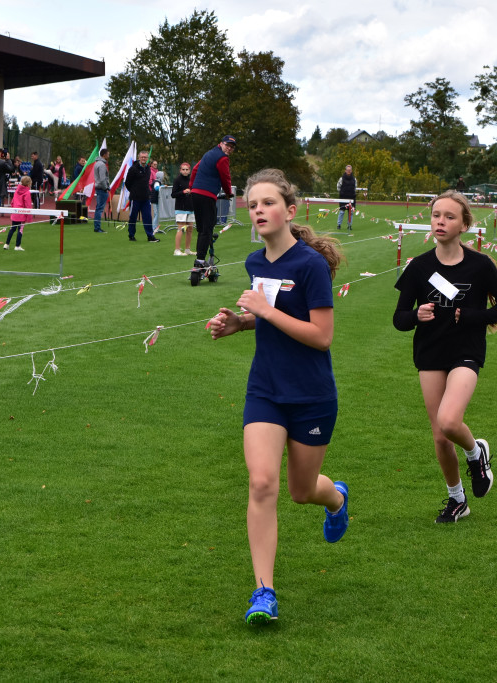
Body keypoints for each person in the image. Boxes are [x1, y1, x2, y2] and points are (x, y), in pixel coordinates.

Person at [207, 168, 348, 625]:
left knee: (302, 491)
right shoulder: (255, 263)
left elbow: (321, 336)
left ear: (290, 211)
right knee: (262, 482)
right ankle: (264, 591)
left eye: (267, 203)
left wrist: (264, 311)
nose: (258, 211)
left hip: (310, 396)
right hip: (265, 390)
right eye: (252, 205)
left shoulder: (309, 265)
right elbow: (268, 319)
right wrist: (240, 324)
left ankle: (336, 498)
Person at [393, 190, 497, 523]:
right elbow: (399, 317)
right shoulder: (419, 267)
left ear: (464, 224)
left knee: (449, 421)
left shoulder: (480, 265)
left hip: (466, 352)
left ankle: (476, 453)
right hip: (430, 353)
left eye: (449, 216)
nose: (441, 222)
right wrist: (416, 315)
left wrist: (475, 316)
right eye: (436, 215)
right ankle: (457, 499)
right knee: (439, 435)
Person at [190, 135, 236, 268]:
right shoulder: (222, 158)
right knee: (207, 228)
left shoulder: (208, 153)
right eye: (227, 145)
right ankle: (200, 260)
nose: (229, 149)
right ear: (221, 143)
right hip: (207, 195)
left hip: (196, 194)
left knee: (201, 228)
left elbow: (195, 170)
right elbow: (225, 177)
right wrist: (228, 193)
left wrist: (192, 187)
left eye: (232, 147)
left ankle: (200, 258)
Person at [124, 150, 157, 241]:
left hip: (146, 198)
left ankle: (150, 236)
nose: (143, 159)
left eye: (145, 157)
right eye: (142, 157)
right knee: (133, 217)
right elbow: (127, 183)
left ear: (147, 158)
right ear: (139, 158)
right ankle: (131, 235)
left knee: (148, 217)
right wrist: (134, 191)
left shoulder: (148, 169)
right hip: (135, 198)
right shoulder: (133, 169)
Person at [171, 161, 195, 256]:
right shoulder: (177, 180)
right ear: (180, 170)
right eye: (183, 169)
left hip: (191, 207)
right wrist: (183, 192)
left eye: (187, 169)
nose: (185, 171)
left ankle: (187, 249)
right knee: (181, 228)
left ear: (189, 171)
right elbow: (173, 194)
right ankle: (177, 250)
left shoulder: (191, 180)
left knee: (190, 229)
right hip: (181, 208)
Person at [6, 175, 31, 250]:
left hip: (15, 212)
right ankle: (17, 245)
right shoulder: (27, 192)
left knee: (12, 228)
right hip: (22, 213)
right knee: (20, 229)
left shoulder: (17, 190)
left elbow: (13, 201)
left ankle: (7, 244)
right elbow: (27, 204)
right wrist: (29, 216)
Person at [92, 147, 110, 234]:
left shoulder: (97, 163)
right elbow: (103, 179)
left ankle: (96, 226)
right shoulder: (102, 165)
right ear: (104, 155)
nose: (108, 155)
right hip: (102, 188)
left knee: (98, 208)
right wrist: (106, 188)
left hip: (98, 187)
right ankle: (97, 227)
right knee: (100, 208)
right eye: (108, 154)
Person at [336, 164, 356, 232]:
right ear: (345, 170)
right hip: (343, 197)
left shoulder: (354, 179)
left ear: (351, 171)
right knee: (342, 212)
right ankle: (339, 225)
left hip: (351, 198)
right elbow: (338, 187)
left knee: (351, 212)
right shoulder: (341, 179)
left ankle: (349, 225)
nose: (349, 171)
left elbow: (355, 188)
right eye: (347, 170)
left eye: (350, 170)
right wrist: (342, 193)